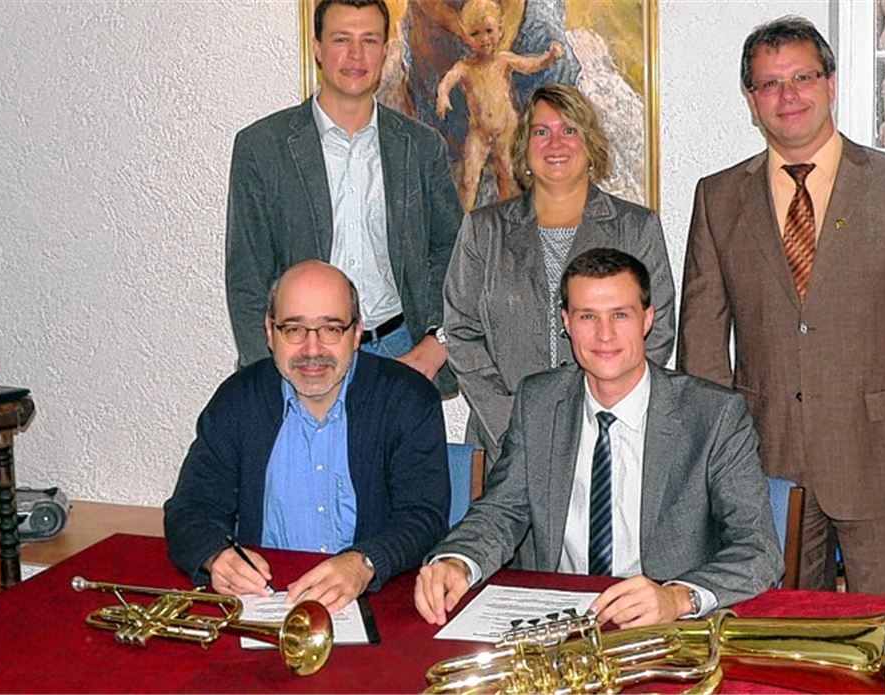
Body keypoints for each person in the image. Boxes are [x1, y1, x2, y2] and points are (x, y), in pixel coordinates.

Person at [677, 16, 885, 595]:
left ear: (831, 83)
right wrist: (712, 465)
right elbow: (702, 344)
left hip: (884, 464)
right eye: (769, 83)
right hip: (764, 464)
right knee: (772, 641)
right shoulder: (718, 197)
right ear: (751, 101)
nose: (788, 95)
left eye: (802, 77)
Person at [417, 248, 781, 628]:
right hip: (555, 620)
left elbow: (758, 550)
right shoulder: (539, 402)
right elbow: (502, 511)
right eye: (587, 316)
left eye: (620, 315)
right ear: (566, 323)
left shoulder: (713, 414)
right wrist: (458, 559)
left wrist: (677, 596)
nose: (604, 334)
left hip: (662, 624)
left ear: (648, 320)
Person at [165, 260, 450, 612]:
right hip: (266, 602)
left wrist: (364, 562)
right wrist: (215, 555)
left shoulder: (407, 398)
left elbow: (423, 516)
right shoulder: (238, 400)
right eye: (294, 330)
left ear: (357, 332)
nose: (312, 350)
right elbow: (190, 507)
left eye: (331, 329)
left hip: (374, 600)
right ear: (270, 332)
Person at [225, 0, 463, 397]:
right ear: (317, 48)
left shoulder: (421, 148)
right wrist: (268, 376)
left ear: (385, 52)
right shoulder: (262, 148)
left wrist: (436, 344)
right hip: (303, 357)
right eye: (341, 40)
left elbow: (454, 255)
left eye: (369, 40)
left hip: (399, 353)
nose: (356, 55)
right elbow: (247, 277)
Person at [444, 83, 675, 464]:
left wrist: (602, 415)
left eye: (570, 130)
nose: (556, 143)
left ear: (590, 144)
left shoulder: (636, 228)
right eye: (541, 131)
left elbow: (658, 329)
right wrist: (515, 426)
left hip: (608, 441)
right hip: (503, 446)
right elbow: (461, 333)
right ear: (524, 147)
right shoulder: (484, 230)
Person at [435, 0, 563, 211]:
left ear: (500, 30)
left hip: (506, 129)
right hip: (479, 132)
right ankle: (463, 225)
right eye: (475, 34)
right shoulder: (465, 67)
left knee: (508, 177)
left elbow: (531, 65)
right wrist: (442, 95)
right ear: (466, 36)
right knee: (468, 180)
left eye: (489, 31)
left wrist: (549, 57)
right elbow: (448, 80)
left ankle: (508, 222)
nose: (484, 39)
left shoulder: (503, 59)